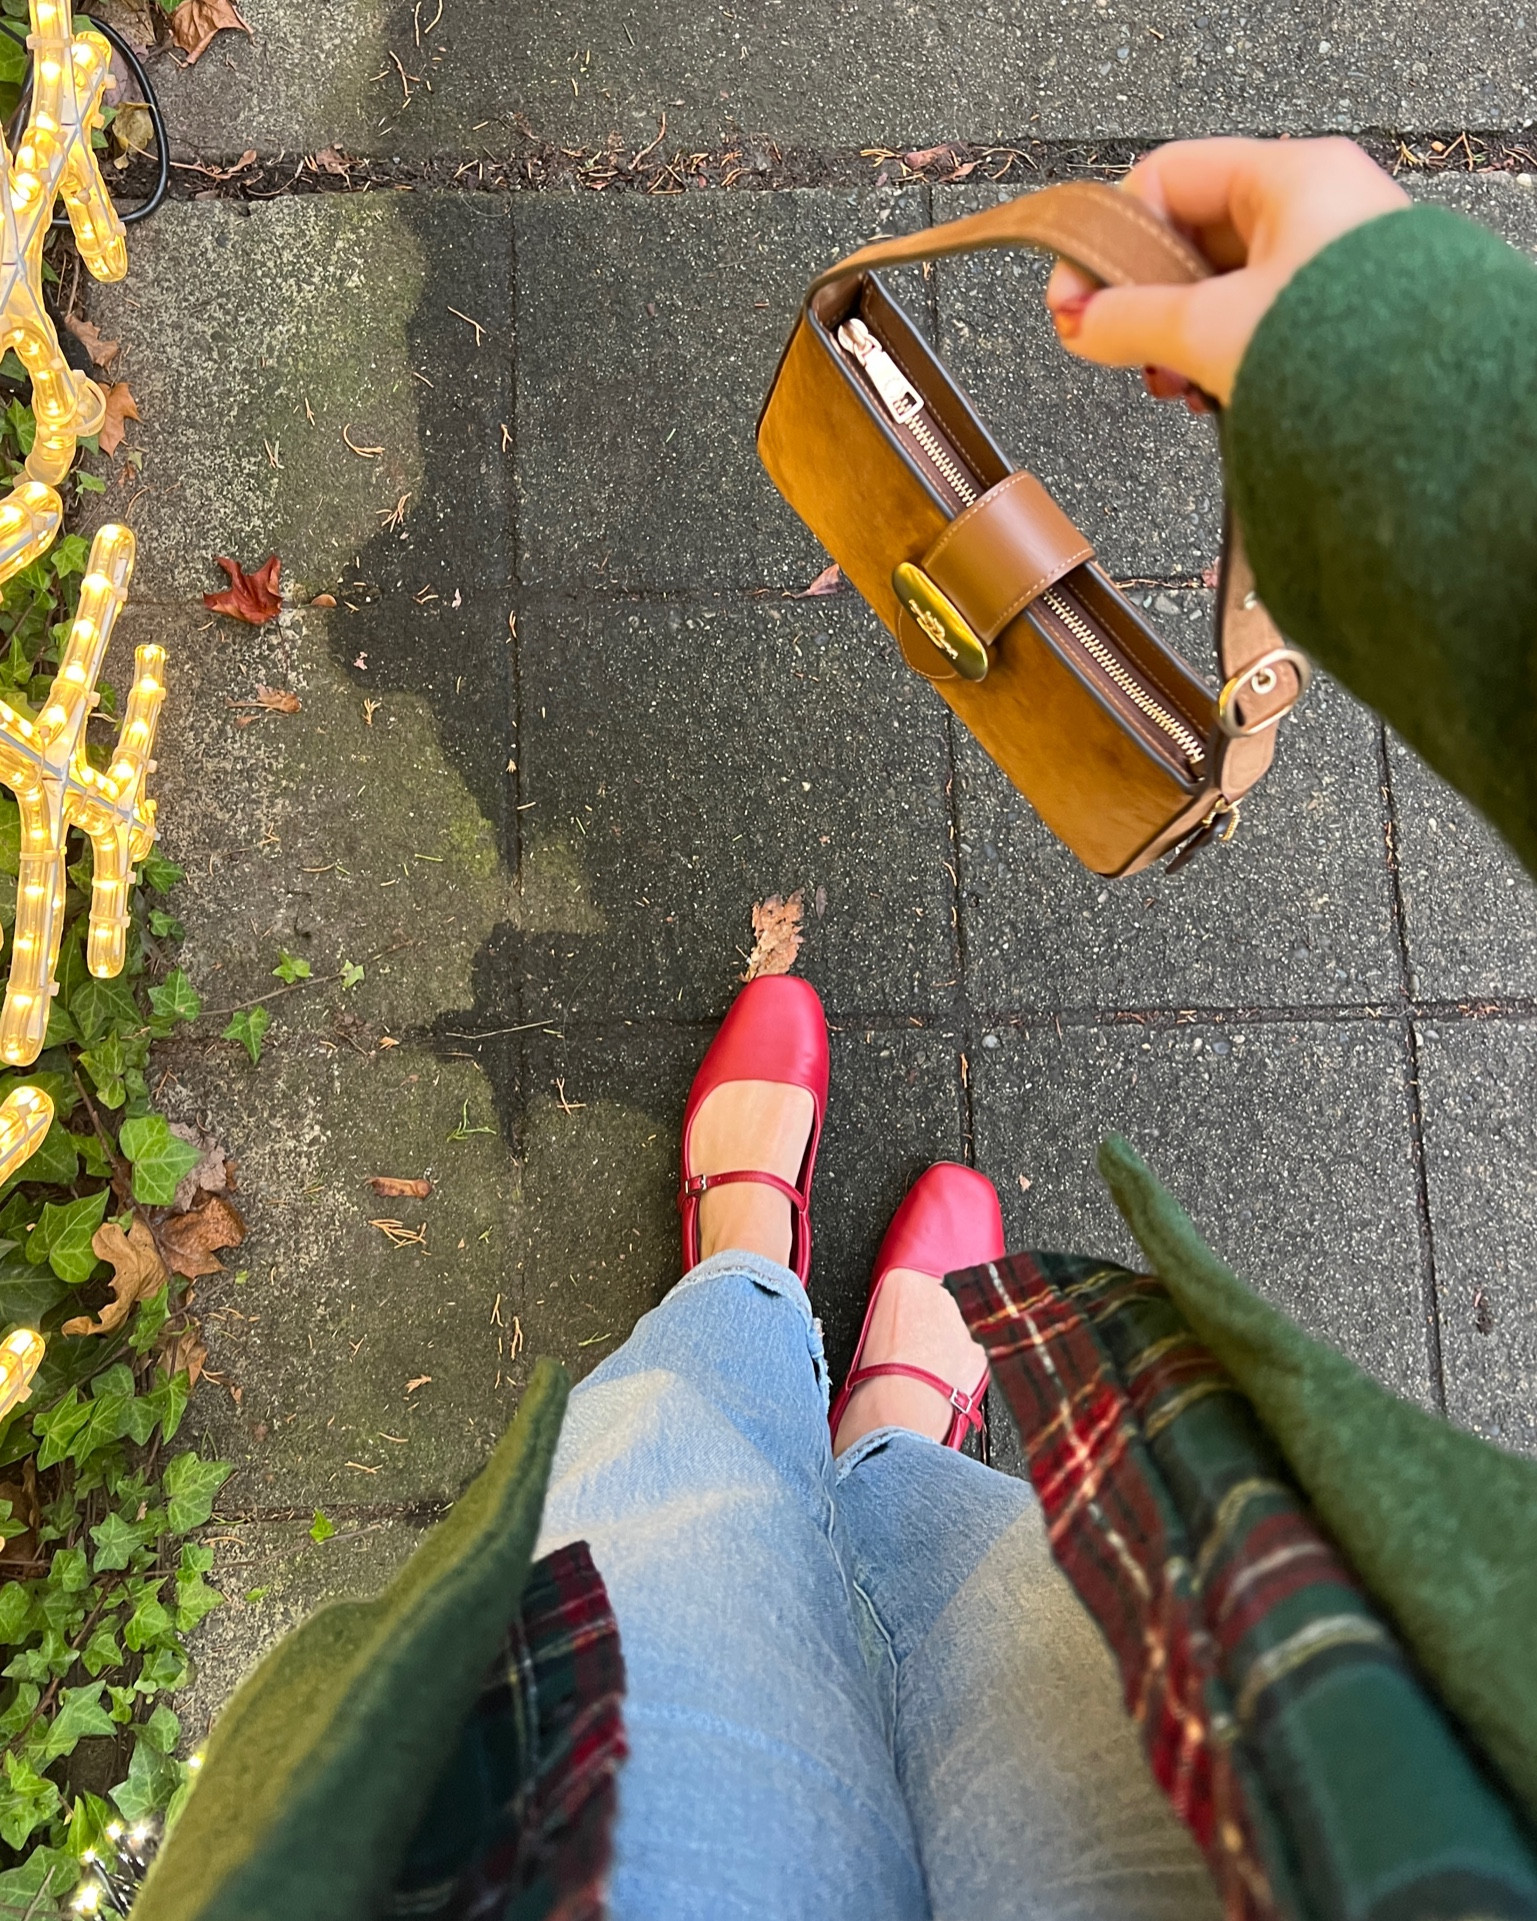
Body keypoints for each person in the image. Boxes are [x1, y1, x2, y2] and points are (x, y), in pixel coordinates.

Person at [134, 134, 1537, 1921]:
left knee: (678, 1534)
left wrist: (1403, 376)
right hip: (1333, 1821)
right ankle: (883, 1431)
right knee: (998, 1600)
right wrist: (1396, 393)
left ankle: (743, 1281)